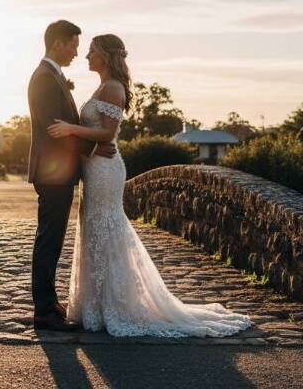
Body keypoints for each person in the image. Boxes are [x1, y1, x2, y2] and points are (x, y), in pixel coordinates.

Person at [46, 33, 253, 337]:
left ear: (105, 54)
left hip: (105, 169)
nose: (86, 56)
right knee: (93, 229)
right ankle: (96, 304)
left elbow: (107, 134)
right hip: (94, 168)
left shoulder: (114, 88)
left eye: (91, 51)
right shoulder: (102, 86)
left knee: (106, 228)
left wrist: (68, 129)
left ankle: (117, 305)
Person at [26, 20, 116, 331]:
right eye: (74, 46)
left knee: (51, 239)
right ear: (58, 44)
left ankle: (49, 303)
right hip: (53, 172)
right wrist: (93, 149)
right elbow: (56, 130)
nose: (77, 52)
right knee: (49, 240)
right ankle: (44, 312)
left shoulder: (52, 76)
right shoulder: (45, 79)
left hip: (58, 171)